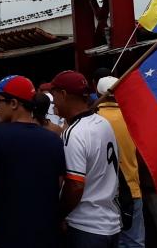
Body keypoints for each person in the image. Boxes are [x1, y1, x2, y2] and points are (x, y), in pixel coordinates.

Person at [0, 75, 66, 248]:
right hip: (46, 231)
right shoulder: (53, 139)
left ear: (14, 104)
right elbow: (59, 183)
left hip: (10, 232)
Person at [50, 70, 122, 246]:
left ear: (63, 94)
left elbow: (75, 186)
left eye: (54, 95)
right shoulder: (103, 122)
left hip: (86, 226)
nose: (53, 103)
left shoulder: (75, 133)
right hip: (110, 223)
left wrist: (58, 214)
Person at [95, 76, 145, 247]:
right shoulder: (133, 117)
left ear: (97, 92)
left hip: (103, 194)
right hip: (132, 188)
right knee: (134, 242)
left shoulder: (94, 120)